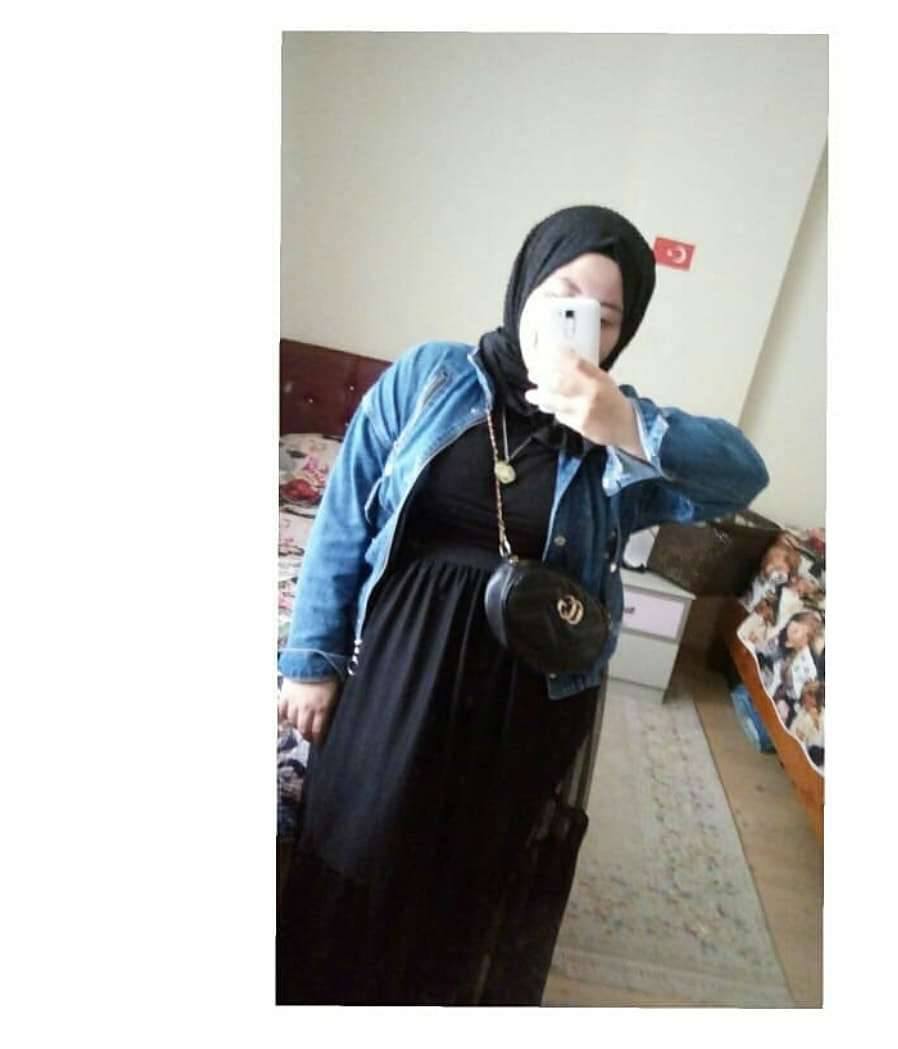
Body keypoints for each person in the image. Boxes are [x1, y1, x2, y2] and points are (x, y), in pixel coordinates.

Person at [275, 204, 769, 1005]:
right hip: (397, 669)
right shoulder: (431, 376)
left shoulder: (615, 435)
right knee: (356, 846)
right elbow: (343, 517)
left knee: (461, 883)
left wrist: (625, 423)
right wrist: (310, 661)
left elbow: (741, 475)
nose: (580, 321)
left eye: (605, 316)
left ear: (622, 333)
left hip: (524, 697)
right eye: (563, 293)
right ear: (525, 284)